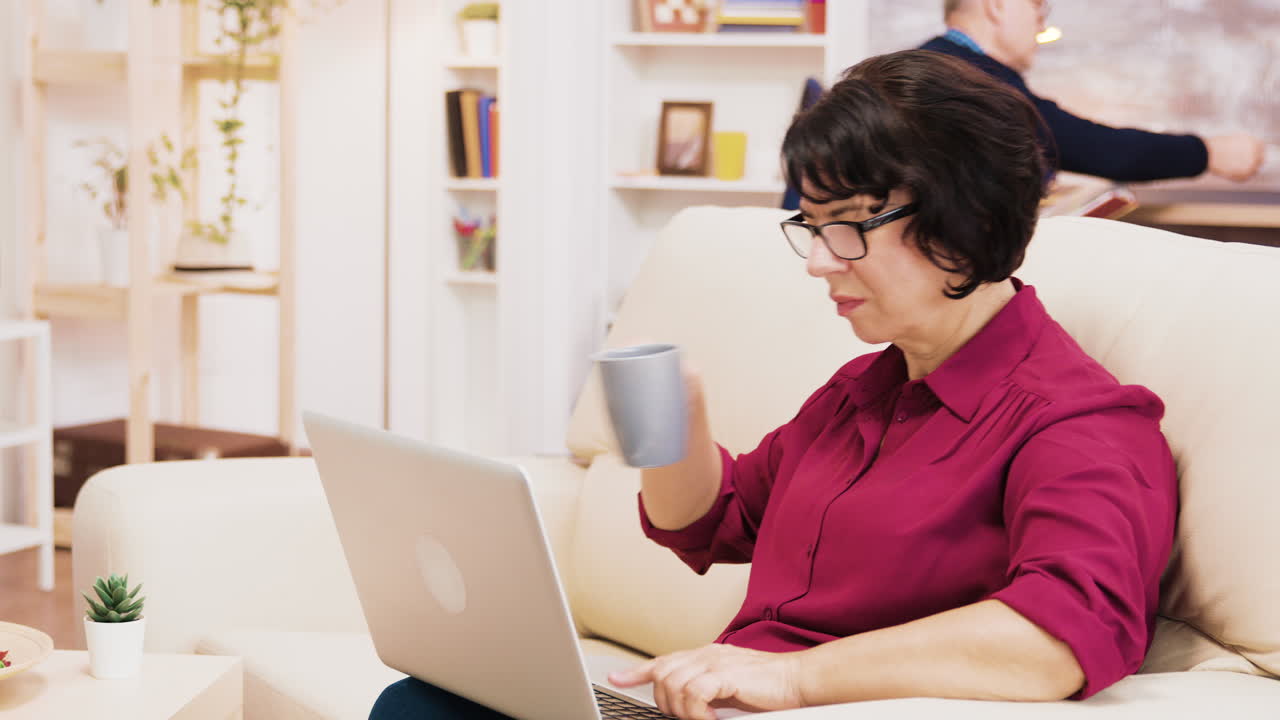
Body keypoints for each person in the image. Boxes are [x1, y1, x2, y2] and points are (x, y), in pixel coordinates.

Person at [370, 50, 1178, 720]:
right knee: (421, 703)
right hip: (714, 704)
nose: (821, 260)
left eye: (848, 226)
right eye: (811, 226)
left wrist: (791, 679)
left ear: (964, 219)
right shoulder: (864, 389)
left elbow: (1057, 643)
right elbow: (714, 520)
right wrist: (676, 425)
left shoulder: (1082, 423)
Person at [923, 0, 1265, 183]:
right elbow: (1097, 148)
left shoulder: (935, 64)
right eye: (1038, 7)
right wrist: (1207, 152)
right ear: (997, 5)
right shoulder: (965, 79)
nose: (1042, 25)